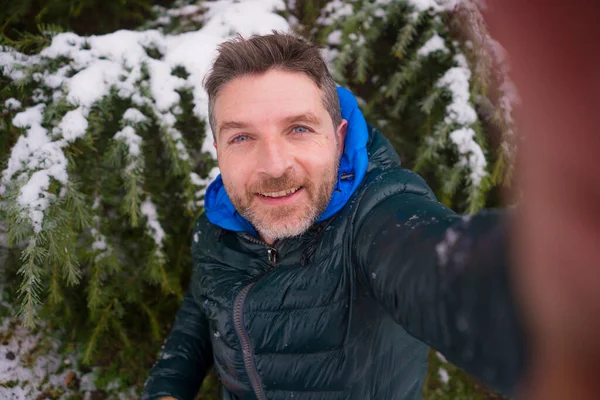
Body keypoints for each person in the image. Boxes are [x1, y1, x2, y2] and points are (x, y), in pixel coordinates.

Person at [141, 32, 526, 400]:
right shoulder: (219, 221)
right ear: (218, 149)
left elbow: (446, 273)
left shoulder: (375, 213)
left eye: (299, 128)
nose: (274, 166)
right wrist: (167, 389)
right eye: (241, 137)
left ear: (338, 137)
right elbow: (202, 305)